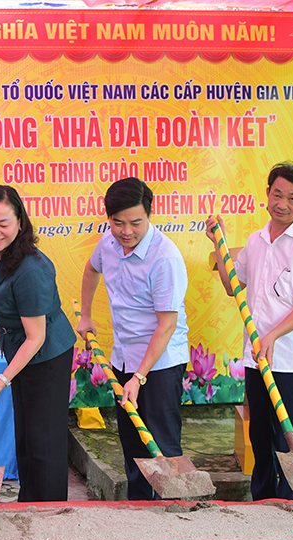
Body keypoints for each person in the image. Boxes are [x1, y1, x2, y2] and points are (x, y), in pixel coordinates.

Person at [206, 162, 293, 501]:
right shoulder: (257, 241)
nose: (283, 204)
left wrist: (272, 336)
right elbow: (234, 285)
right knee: (259, 436)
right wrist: (220, 242)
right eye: (278, 194)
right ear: (267, 194)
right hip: (256, 358)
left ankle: (290, 504)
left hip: (291, 362)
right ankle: (261, 500)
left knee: (288, 442)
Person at [76, 178, 190, 500]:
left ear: (149, 215)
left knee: (161, 443)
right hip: (123, 357)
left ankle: (173, 510)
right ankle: (139, 510)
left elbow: (166, 326)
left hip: (159, 363)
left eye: (135, 223)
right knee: (132, 442)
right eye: (118, 222)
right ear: (108, 218)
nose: (126, 231)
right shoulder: (107, 244)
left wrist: (140, 377)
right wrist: (86, 315)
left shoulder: (164, 257)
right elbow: (90, 270)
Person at [0, 185, 76, 503]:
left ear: (19, 223)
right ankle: (29, 502)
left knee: (44, 441)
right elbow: (6, 298)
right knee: (26, 436)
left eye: (3, 223)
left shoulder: (31, 269)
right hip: (20, 350)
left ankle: (49, 510)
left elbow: (36, 336)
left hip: (44, 357)